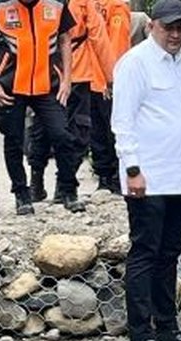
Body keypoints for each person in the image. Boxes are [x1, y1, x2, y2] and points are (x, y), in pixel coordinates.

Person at [111, 0, 181, 341]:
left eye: (180, 27)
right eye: (168, 27)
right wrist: (133, 168)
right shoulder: (135, 63)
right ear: (152, 25)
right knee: (145, 254)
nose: (175, 34)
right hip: (148, 178)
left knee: (170, 254)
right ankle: (141, 337)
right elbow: (122, 120)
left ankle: (168, 327)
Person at [0, 0, 83, 216]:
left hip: (48, 84)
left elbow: (65, 40)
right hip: (11, 85)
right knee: (13, 141)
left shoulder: (55, 4)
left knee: (62, 135)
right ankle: (21, 194)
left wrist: (67, 79)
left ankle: (68, 190)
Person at [26, 0, 117, 205]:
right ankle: (63, 185)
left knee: (41, 128)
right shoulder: (83, 2)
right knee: (76, 130)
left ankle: (36, 182)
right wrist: (110, 77)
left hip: (44, 72)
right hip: (73, 72)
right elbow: (98, 35)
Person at [89, 0, 132, 193]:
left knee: (112, 128)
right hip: (91, 76)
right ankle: (103, 175)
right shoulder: (90, 5)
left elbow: (117, 45)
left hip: (109, 79)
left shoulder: (116, 8)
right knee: (96, 130)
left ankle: (115, 175)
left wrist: (111, 78)